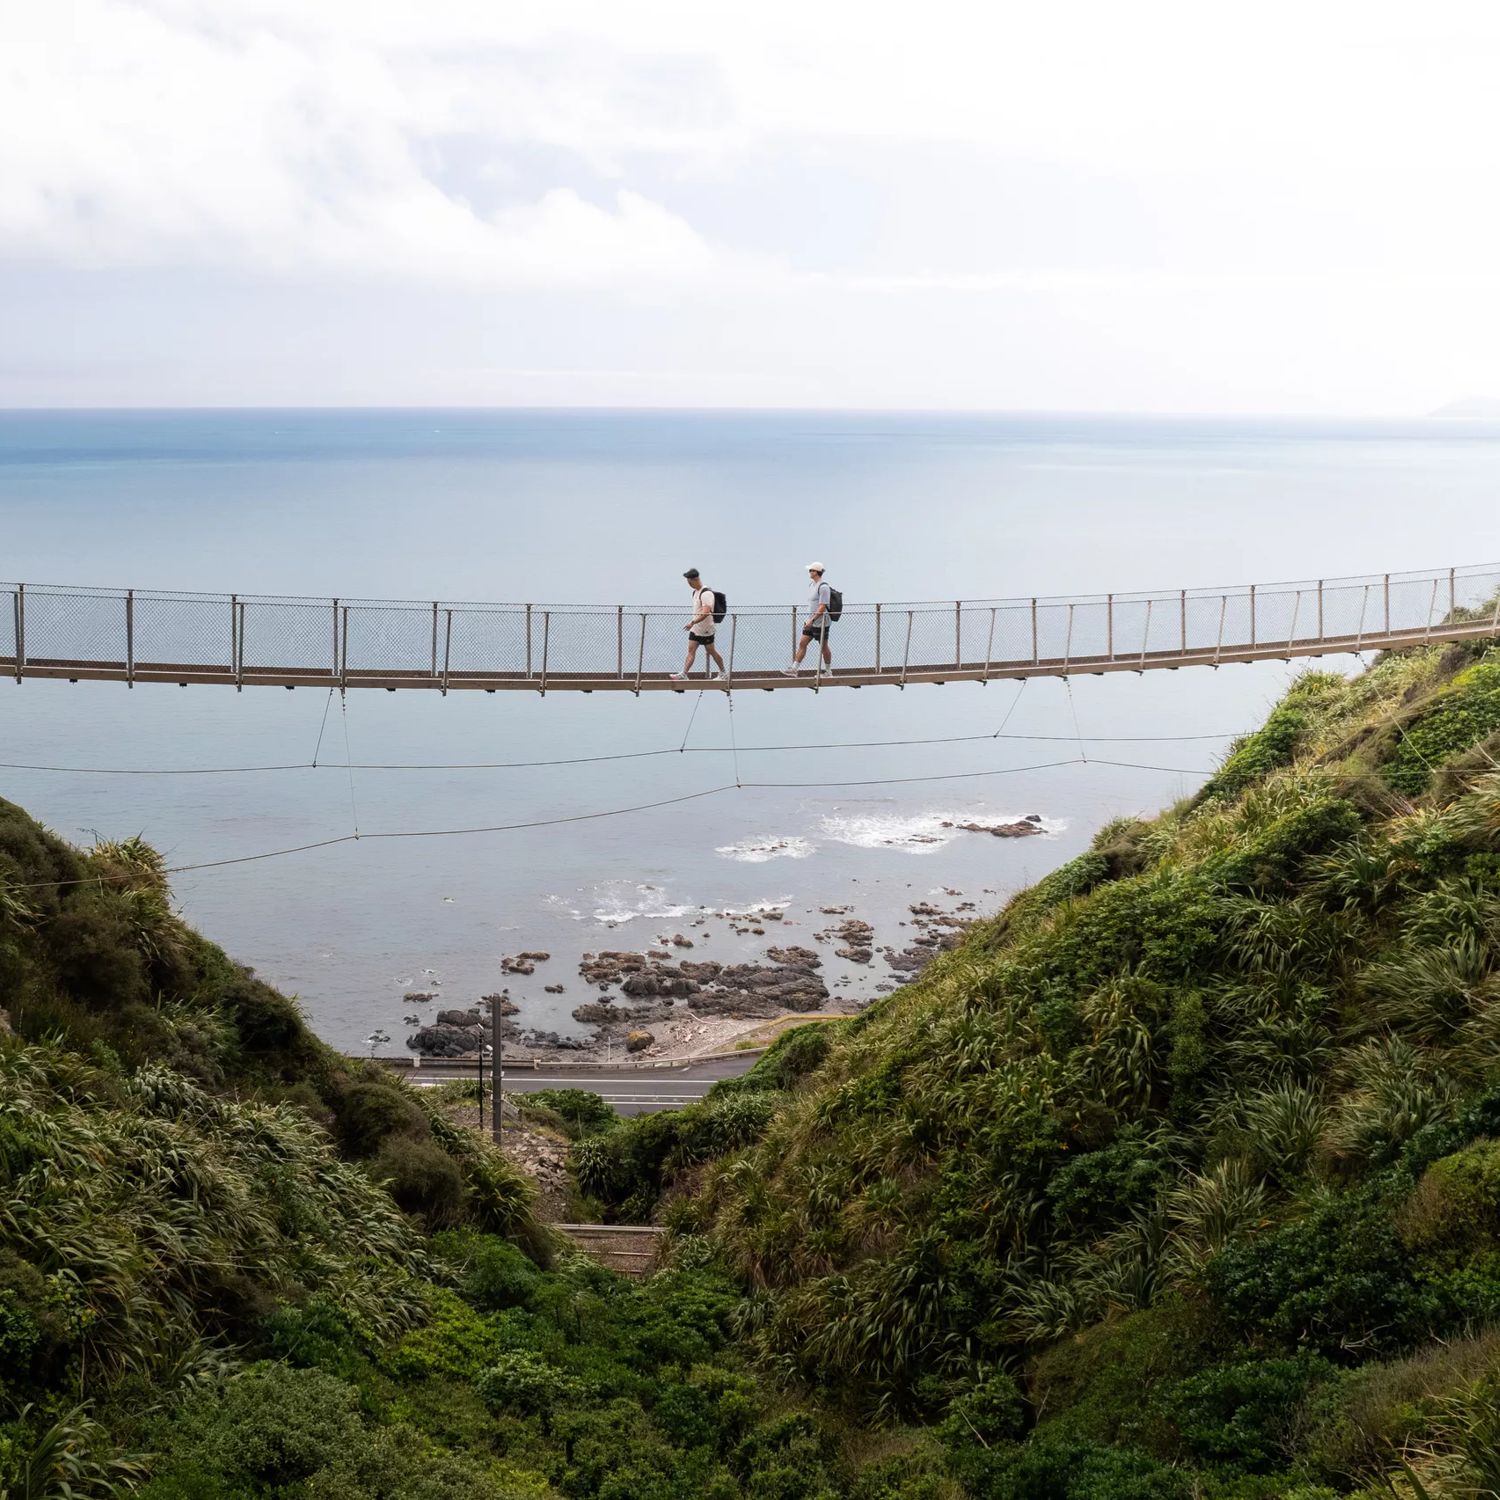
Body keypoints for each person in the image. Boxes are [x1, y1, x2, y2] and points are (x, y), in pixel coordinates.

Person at [671, 568, 725, 681]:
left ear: (694, 580)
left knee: (711, 651)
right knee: (691, 650)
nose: (689, 584)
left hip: (706, 629)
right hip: (696, 628)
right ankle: (684, 674)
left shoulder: (706, 594)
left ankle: (723, 673)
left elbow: (705, 612)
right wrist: (694, 624)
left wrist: (692, 622)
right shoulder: (695, 592)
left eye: (689, 582)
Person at [783, 561, 833, 674]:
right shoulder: (812, 585)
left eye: (811, 570)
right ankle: (794, 669)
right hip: (810, 621)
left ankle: (828, 671)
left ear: (817, 572)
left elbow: (822, 607)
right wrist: (809, 619)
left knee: (823, 646)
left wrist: (813, 619)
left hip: (821, 622)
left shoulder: (823, 587)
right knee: (802, 643)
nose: (809, 572)